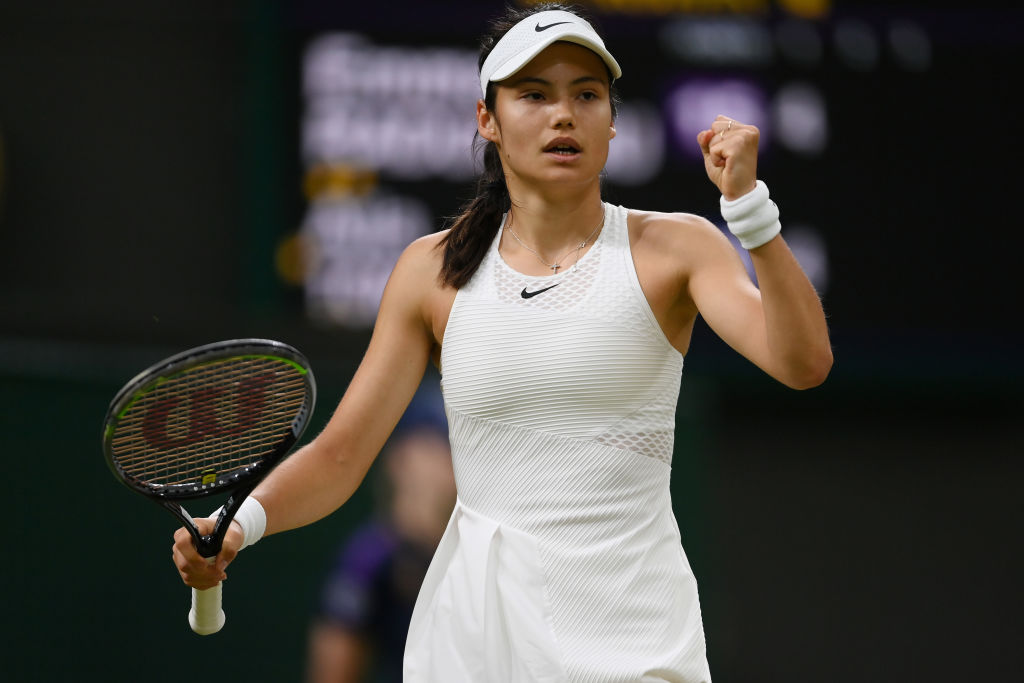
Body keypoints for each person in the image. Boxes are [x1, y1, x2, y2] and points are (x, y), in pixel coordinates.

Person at [173, 4, 832, 681]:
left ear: (611, 121)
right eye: (534, 95)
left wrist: (750, 210)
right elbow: (341, 455)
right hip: (471, 651)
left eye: (586, 95)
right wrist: (239, 524)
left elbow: (804, 362)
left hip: (635, 648)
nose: (563, 115)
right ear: (487, 119)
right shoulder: (430, 271)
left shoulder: (678, 248)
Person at [307, 389, 455, 683]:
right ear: (400, 459)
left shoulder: (485, 549)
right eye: (434, 446)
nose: (448, 461)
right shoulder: (367, 560)